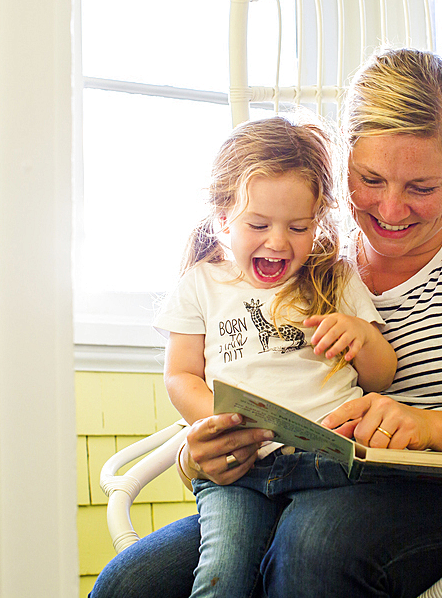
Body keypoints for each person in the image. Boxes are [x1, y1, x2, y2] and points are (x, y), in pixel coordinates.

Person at [90, 48, 442, 598]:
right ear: (343, 162)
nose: (391, 208)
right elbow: (240, 377)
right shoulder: (308, 263)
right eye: (370, 179)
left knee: (314, 549)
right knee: (132, 584)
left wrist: (429, 428)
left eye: (422, 188)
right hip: (313, 486)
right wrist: (202, 454)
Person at [154, 115, 397, 598]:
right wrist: (218, 422)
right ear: (223, 218)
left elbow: (382, 376)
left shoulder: (334, 279)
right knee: (223, 577)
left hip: (327, 461)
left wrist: (362, 339)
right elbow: (181, 374)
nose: (279, 241)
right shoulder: (201, 284)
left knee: (304, 564)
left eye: (299, 226)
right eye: (258, 224)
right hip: (239, 469)